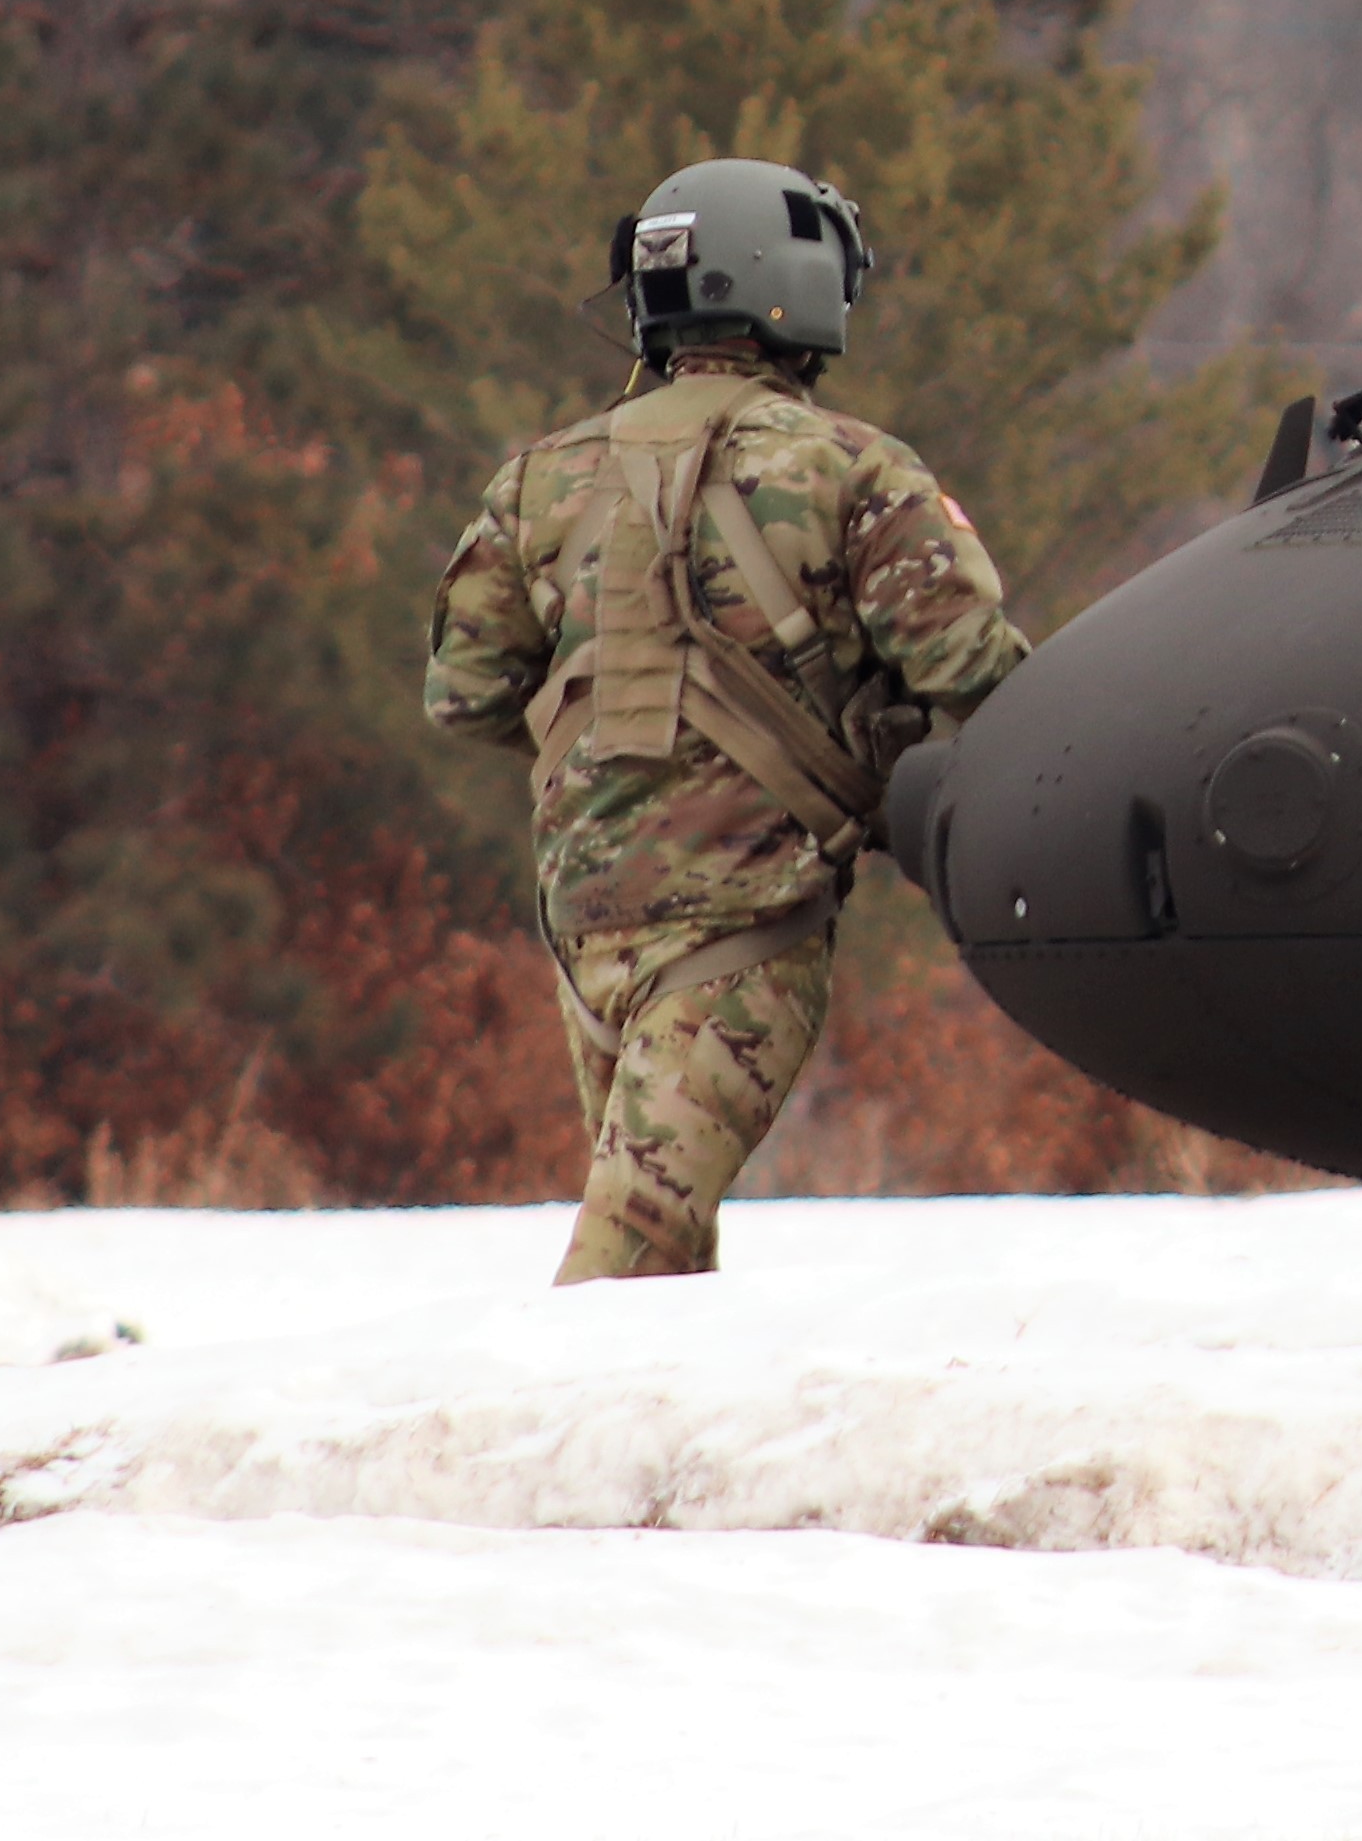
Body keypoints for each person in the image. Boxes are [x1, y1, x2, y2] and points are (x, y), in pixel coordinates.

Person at [422, 159, 1029, 1281]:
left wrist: (616, 755)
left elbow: (464, 695)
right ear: (797, 285)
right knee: (628, 1261)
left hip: (587, 931)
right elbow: (981, 679)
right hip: (742, 932)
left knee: (655, 1260)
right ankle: (485, 1453)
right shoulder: (856, 474)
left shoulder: (537, 483)